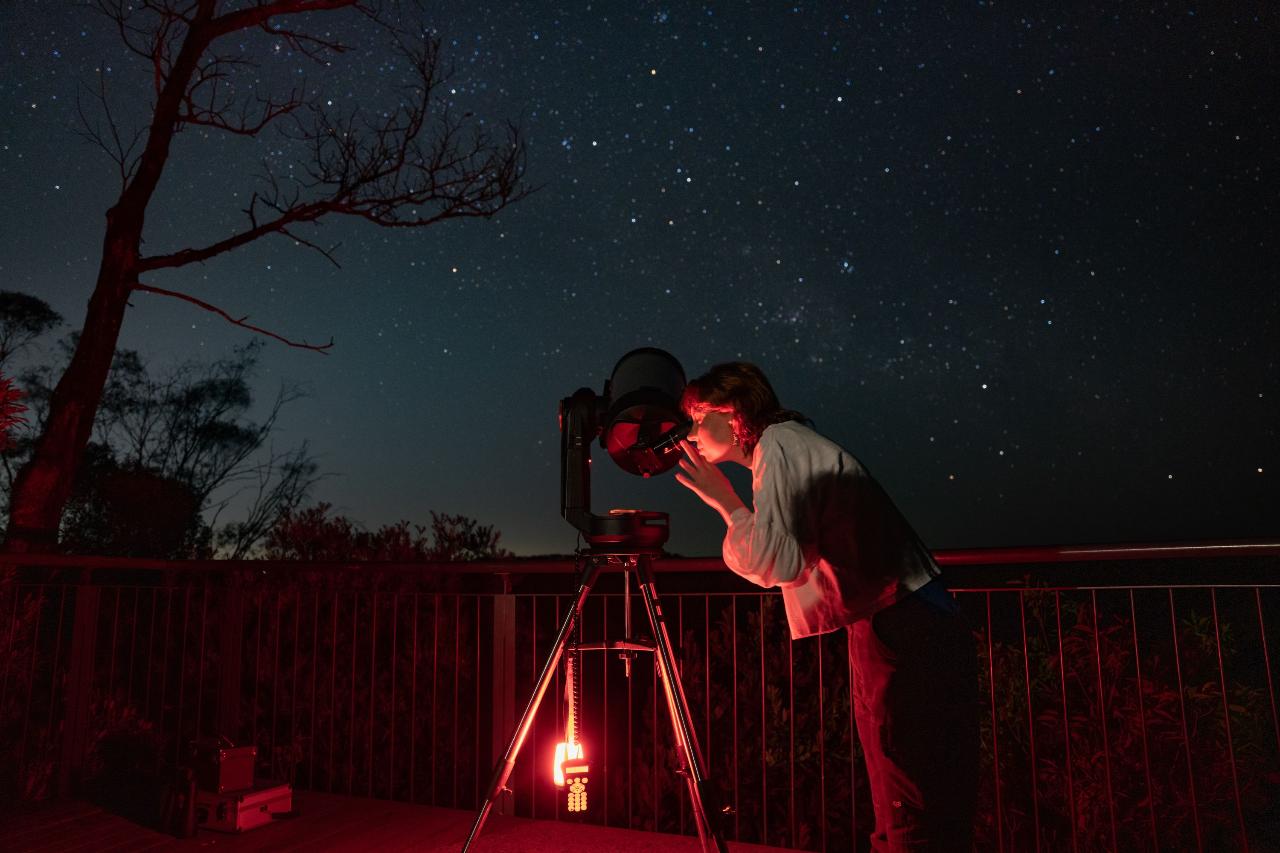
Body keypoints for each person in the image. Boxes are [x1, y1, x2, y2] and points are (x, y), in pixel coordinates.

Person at [674, 361, 979, 852]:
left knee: (907, 800)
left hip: (900, 625)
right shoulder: (787, 445)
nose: (690, 433)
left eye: (697, 416)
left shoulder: (778, 445)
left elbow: (782, 559)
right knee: (932, 793)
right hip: (911, 616)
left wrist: (728, 505)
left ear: (731, 415)